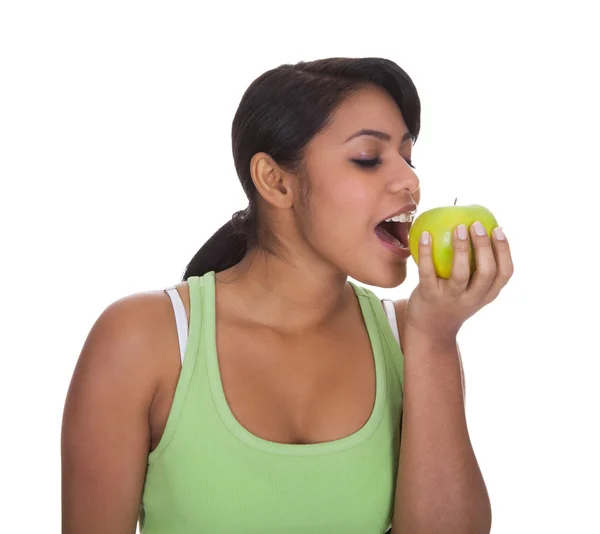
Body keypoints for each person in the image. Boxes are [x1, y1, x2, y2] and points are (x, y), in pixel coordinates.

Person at [61, 57, 513, 534]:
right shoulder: (143, 340)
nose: (411, 182)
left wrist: (435, 338)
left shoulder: (411, 338)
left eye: (408, 157)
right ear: (276, 181)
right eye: (368, 158)